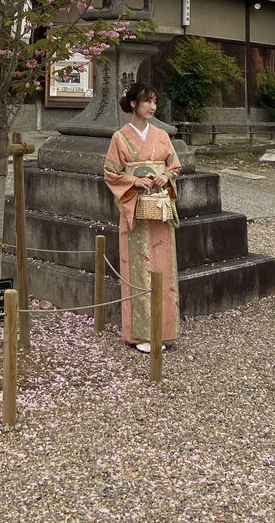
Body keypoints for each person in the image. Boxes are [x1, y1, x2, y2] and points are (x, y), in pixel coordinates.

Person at [104, 81, 181, 352]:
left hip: (158, 209)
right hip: (136, 208)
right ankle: (141, 333)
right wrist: (135, 182)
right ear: (134, 103)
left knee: (164, 267)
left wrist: (165, 176)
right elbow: (111, 173)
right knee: (139, 269)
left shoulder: (161, 135)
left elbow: (175, 165)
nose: (152, 106)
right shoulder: (120, 138)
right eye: (147, 101)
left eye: (155, 102)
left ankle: (166, 331)